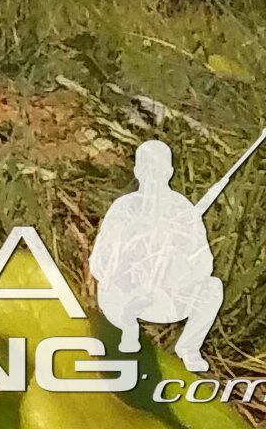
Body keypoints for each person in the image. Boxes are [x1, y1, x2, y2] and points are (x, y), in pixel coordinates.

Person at [90, 136, 230, 372]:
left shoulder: (182, 209)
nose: (153, 173)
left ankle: (188, 348)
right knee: (109, 291)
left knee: (213, 288)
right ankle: (127, 330)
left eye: (159, 167)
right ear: (137, 170)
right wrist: (132, 250)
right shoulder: (124, 207)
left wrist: (179, 258)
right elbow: (99, 260)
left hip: (168, 299)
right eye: (147, 166)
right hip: (124, 295)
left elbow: (203, 262)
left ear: (170, 171)